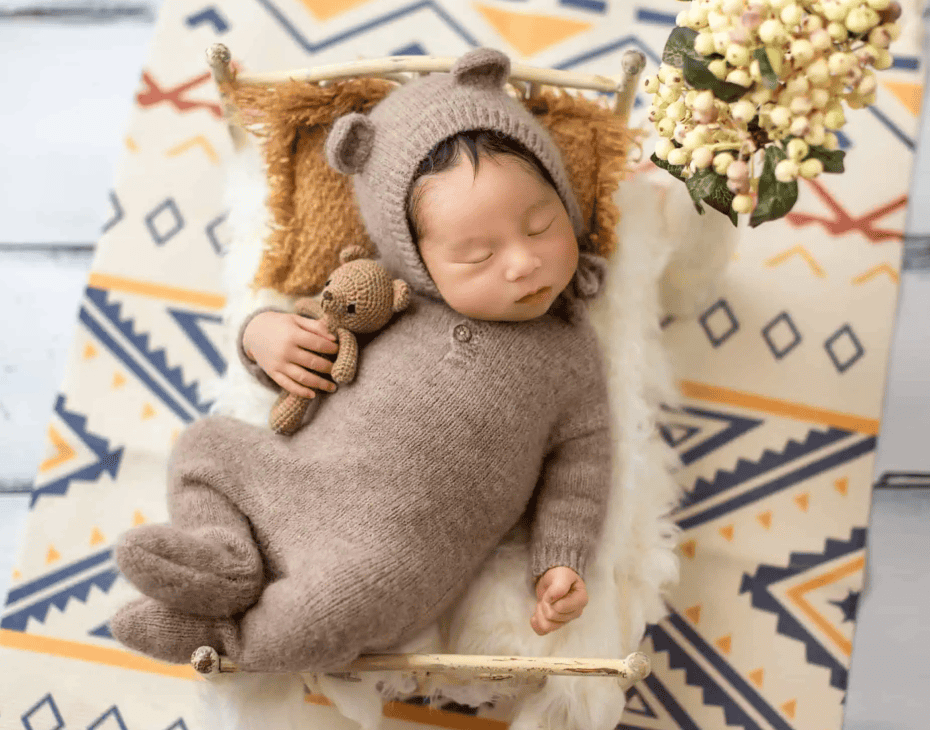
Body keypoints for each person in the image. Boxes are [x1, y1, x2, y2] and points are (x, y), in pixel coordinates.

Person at [110, 47, 613, 672]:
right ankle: (228, 558)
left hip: (394, 549)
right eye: (477, 256)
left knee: (333, 611)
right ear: (416, 258)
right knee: (205, 446)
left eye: (541, 226)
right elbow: (314, 329)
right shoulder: (384, 297)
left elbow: (583, 466)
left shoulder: (569, 352)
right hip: (296, 476)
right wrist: (264, 337)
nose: (523, 263)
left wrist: (561, 559)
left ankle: (230, 639)